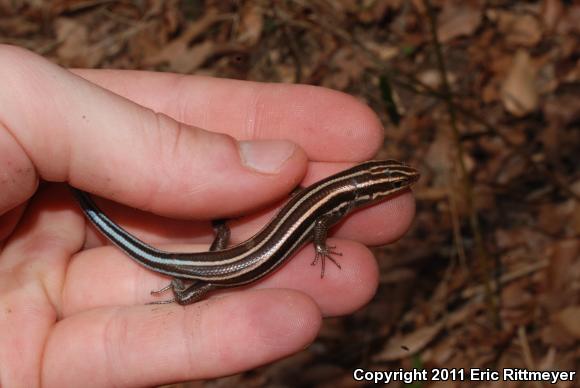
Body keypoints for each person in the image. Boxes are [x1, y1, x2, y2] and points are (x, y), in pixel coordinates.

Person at [0, 45, 416, 386]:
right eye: (392, 184)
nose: (397, 185)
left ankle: (166, 250)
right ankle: (181, 291)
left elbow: (317, 218)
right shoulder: (335, 204)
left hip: (227, 260)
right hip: (225, 268)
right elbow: (319, 226)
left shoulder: (330, 196)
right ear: (367, 185)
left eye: (394, 183)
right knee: (190, 287)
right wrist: (320, 246)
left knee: (215, 249)